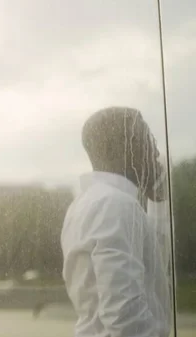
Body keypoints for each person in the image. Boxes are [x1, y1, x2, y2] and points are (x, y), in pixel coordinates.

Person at [60, 107, 171, 337]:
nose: (156, 150)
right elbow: (124, 315)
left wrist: (158, 198)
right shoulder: (117, 205)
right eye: (148, 139)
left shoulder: (86, 203)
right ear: (120, 149)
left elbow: (150, 271)